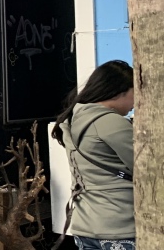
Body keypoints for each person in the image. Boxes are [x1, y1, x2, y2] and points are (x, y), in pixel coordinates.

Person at [51, 60, 135, 250]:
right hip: (118, 225)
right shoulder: (110, 122)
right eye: (135, 92)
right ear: (119, 90)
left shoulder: (75, 118)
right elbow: (146, 168)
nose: (136, 101)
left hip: (84, 225)